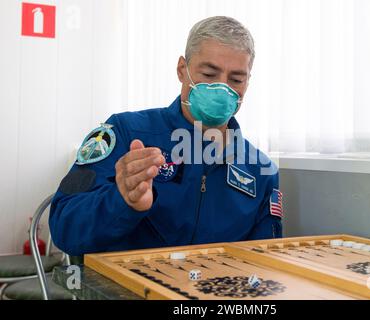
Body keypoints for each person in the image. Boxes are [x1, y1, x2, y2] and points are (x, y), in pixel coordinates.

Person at [49, 16, 283, 256]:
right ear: (183, 70)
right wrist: (121, 201)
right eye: (209, 74)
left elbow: (263, 260)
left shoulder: (261, 170)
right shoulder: (124, 132)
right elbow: (64, 227)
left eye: (235, 79)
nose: (222, 88)